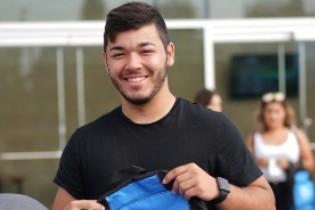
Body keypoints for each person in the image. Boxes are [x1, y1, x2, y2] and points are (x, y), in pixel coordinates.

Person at [52, 2, 275, 210]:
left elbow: (267, 203)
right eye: (119, 54)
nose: (133, 64)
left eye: (146, 51)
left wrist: (218, 188)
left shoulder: (214, 128)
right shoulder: (85, 143)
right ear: (106, 62)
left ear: (169, 54)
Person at [246, 92, 314, 210]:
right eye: (269, 112)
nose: (273, 116)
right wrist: (257, 163)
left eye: (277, 111)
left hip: (291, 190)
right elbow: (243, 166)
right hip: (263, 190)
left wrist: (290, 164)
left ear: (285, 113)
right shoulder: (254, 137)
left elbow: (310, 164)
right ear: (262, 114)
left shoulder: (296, 134)